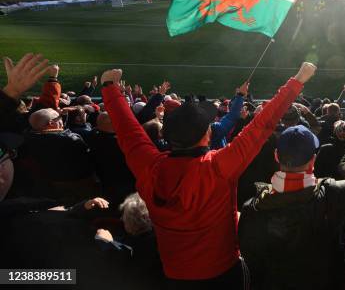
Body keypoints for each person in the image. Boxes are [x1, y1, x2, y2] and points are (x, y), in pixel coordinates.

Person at [100, 62, 317, 288]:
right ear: (207, 134)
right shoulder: (218, 166)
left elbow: (128, 132)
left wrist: (109, 88)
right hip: (223, 274)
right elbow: (262, 125)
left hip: (174, 276)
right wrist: (297, 81)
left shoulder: (150, 166)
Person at [238, 106, 345, 290]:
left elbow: (250, 264)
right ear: (313, 161)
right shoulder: (331, 195)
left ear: (277, 156)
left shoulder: (251, 209)